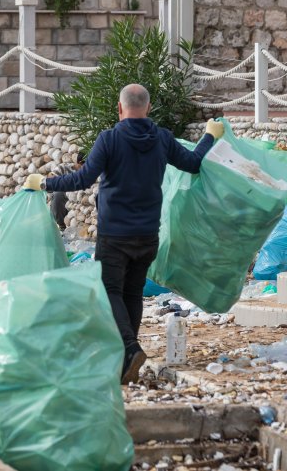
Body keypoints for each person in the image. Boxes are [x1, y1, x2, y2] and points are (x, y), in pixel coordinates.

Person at [22, 84, 224, 384]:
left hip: (115, 234)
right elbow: (193, 164)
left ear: (119, 108)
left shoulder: (110, 139)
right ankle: (126, 359)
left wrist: (45, 183)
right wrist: (209, 135)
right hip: (147, 234)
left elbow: (82, 179)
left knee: (109, 291)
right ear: (149, 107)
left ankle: (130, 348)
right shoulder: (162, 138)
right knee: (131, 292)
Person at [50, 150, 86, 230]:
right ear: (80, 163)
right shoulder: (64, 168)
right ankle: (61, 226)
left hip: (78, 204)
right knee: (58, 194)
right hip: (63, 203)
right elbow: (51, 179)